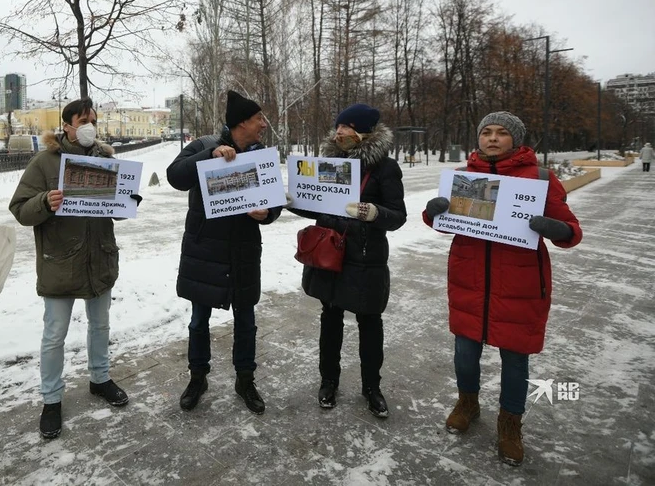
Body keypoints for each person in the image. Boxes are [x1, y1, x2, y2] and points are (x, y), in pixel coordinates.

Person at [423, 111, 582, 466]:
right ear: (478, 138)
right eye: (486, 133)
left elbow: (572, 229)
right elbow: (444, 222)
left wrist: (557, 229)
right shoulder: (463, 177)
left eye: (501, 133)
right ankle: (467, 403)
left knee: (515, 359)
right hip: (470, 280)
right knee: (465, 353)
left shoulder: (539, 178)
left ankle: (510, 423)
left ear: (517, 139)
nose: (492, 139)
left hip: (520, 283)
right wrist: (432, 213)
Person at [9, 97, 129, 440]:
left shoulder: (106, 158)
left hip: (99, 258)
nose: (90, 124)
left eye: (93, 118)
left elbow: (118, 208)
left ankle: (100, 379)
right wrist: (45, 201)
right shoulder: (45, 162)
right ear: (67, 125)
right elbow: (19, 209)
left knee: (100, 325)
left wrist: (128, 201)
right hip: (60, 263)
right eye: (83, 119)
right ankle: (51, 399)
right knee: (54, 335)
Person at [166, 90, 282, 414]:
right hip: (205, 252)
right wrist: (210, 156)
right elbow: (174, 176)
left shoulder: (260, 155)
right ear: (242, 122)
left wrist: (268, 213)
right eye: (259, 118)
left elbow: (274, 202)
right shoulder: (204, 146)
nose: (263, 124)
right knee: (198, 322)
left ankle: (245, 380)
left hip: (243, 254)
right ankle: (197, 378)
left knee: (246, 321)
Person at [289, 103, 407, 418]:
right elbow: (319, 207)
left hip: (366, 260)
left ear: (366, 132)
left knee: (369, 323)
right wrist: (295, 201)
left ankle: (372, 387)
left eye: (348, 126)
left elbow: (398, 216)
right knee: (330, 320)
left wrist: (373, 212)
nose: (340, 132)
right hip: (331, 256)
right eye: (339, 126)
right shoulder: (329, 162)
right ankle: (329, 381)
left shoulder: (385, 168)